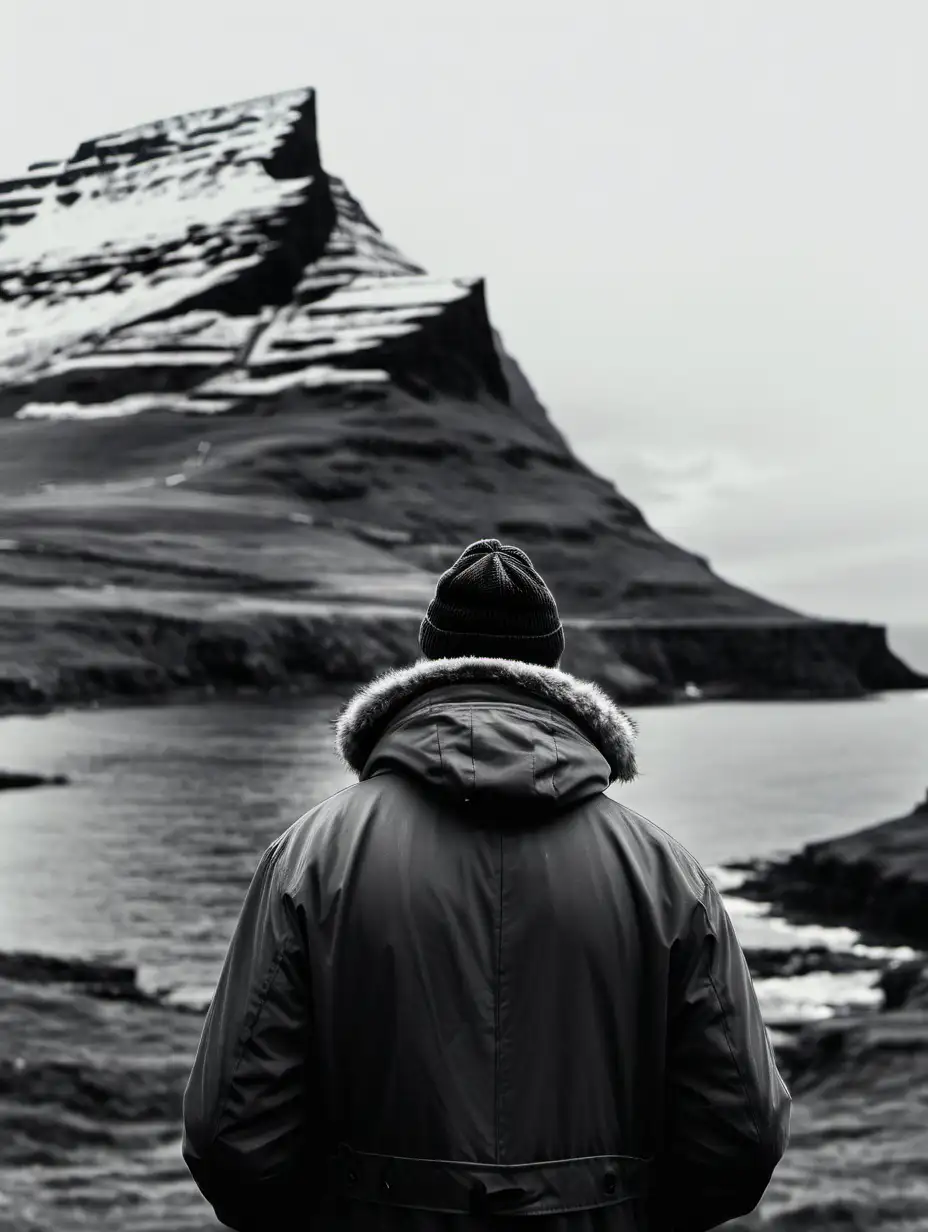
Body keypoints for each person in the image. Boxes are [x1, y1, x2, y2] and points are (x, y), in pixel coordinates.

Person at [182, 537, 791, 1231]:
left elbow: (227, 1132)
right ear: (554, 666)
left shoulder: (311, 856)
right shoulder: (665, 870)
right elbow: (746, 1134)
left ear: (429, 659)